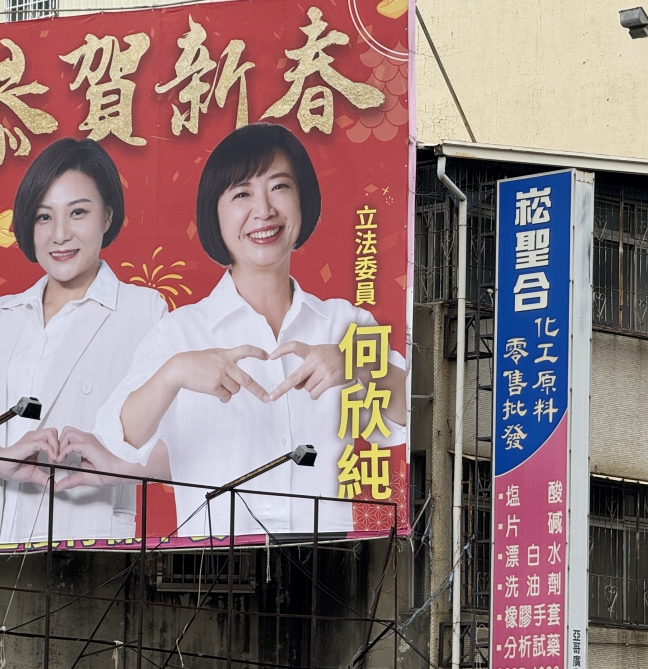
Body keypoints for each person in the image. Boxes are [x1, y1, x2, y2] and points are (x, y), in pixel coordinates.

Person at [67, 123, 407, 538]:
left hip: (331, 561)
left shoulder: (345, 324)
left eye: (279, 187)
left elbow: (410, 417)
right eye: (242, 194)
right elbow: (116, 438)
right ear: (215, 213)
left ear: (303, 199)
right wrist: (174, 374)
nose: (263, 210)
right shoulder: (179, 334)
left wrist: (355, 363)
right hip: (216, 566)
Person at [0, 138, 168, 546]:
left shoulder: (144, 312)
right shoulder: (0, 315)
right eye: (43, 217)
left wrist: (119, 464)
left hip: (86, 542)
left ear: (107, 215)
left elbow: (182, 440)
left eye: (78, 212)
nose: (60, 234)